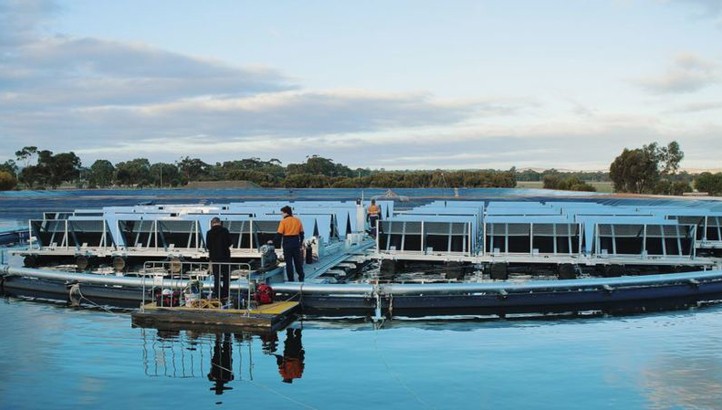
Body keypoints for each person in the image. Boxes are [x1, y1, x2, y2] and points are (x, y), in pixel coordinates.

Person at [206, 217, 232, 305]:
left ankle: (218, 294)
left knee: (216, 277)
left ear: (212, 223)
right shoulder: (225, 231)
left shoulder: (209, 233)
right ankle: (226, 295)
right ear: (220, 222)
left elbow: (208, 246)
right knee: (226, 277)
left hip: (215, 258)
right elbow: (229, 243)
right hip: (225, 258)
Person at [276, 205, 305, 282]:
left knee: (289, 263)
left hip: (287, 242)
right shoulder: (297, 220)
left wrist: (273, 242)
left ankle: (291, 279)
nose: (281, 215)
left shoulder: (283, 222)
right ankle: (301, 276)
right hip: (296, 241)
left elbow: (279, 234)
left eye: (282, 213)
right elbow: (302, 234)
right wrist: (300, 243)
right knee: (297, 261)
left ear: (286, 213)